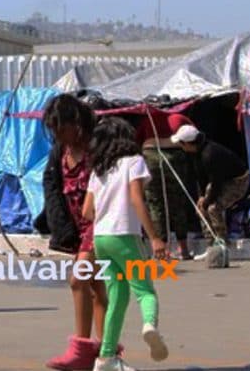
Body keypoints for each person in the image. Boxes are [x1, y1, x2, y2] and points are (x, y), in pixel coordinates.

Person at [83, 117, 169, 371]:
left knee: (117, 299)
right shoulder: (134, 162)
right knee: (145, 291)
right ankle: (150, 326)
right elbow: (136, 199)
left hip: (101, 239)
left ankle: (106, 358)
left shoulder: (98, 171)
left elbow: (87, 211)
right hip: (125, 236)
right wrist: (155, 237)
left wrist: (107, 210)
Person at [40, 94, 112, 371]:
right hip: (76, 227)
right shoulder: (60, 151)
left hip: (100, 222)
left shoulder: (99, 145)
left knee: (77, 280)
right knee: (95, 287)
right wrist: (61, 226)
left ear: (76, 122)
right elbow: (52, 185)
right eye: (53, 130)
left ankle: (81, 351)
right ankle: (106, 351)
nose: (57, 134)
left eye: (60, 128)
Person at [172, 124, 250, 245]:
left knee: (213, 208)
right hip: (220, 180)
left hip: (238, 181)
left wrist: (207, 201)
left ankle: (222, 242)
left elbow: (216, 184)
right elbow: (202, 178)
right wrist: (202, 196)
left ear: (188, 143)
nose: (180, 146)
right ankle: (210, 243)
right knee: (201, 208)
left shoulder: (210, 154)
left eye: (181, 143)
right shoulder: (196, 152)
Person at [135, 110, 197, 259]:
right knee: (178, 201)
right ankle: (184, 249)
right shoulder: (180, 118)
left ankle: (162, 251)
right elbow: (194, 135)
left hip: (151, 155)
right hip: (175, 155)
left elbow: (138, 140)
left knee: (155, 203)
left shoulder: (148, 118)